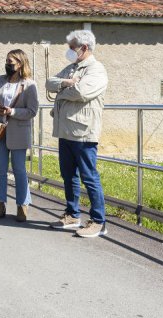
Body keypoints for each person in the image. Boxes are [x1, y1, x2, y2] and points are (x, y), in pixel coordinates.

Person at [46, 30, 109, 238]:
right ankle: (73, 215)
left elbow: (81, 93)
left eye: (72, 48)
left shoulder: (96, 69)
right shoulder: (72, 68)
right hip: (65, 131)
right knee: (68, 174)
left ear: (84, 48)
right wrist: (66, 83)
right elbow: (49, 82)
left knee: (89, 176)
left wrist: (66, 89)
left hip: (83, 133)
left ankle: (99, 220)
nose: (69, 51)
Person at [0, 49, 39, 222]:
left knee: (19, 170)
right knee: (0, 169)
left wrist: (12, 111)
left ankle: (22, 206)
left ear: (20, 64)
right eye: (7, 61)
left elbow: (32, 110)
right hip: (0, 131)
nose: (7, 65)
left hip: (19, 131)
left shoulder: (29, 84)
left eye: (11, 62)